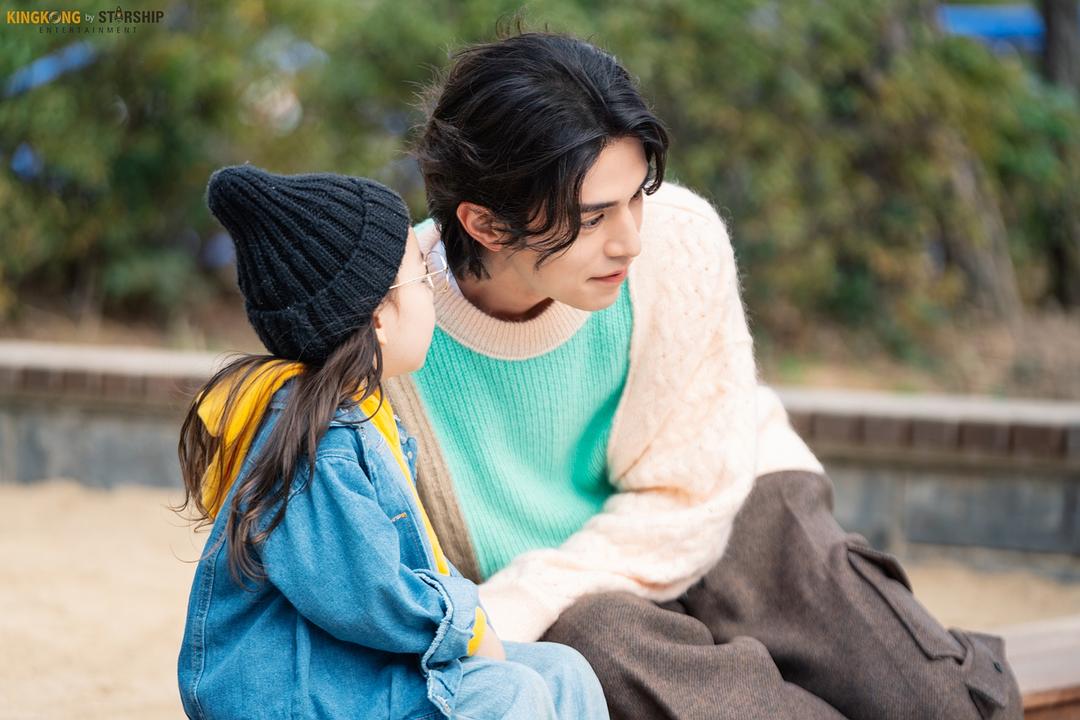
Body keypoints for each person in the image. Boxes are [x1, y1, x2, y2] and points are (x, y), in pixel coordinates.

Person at [378, 31, 1025, 720]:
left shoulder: (677, 238)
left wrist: (525, 595)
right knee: (596, 644)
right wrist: (526, 601)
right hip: (581, 604)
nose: (630, 239)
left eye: (637, 195)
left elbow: (693, 493)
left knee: (937, 703)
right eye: (593, 218)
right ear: (485, 224)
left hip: (733, 500)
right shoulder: (389, 327)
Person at [174, 165, 610, 720]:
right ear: (378, 317)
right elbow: (365, 593)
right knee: (508, 695)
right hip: (303, 690)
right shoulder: (318, 447)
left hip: (355, 669)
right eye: (423, 278)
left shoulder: (366, 416)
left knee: (562, 670)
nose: (434, 294)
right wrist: (465, 627)